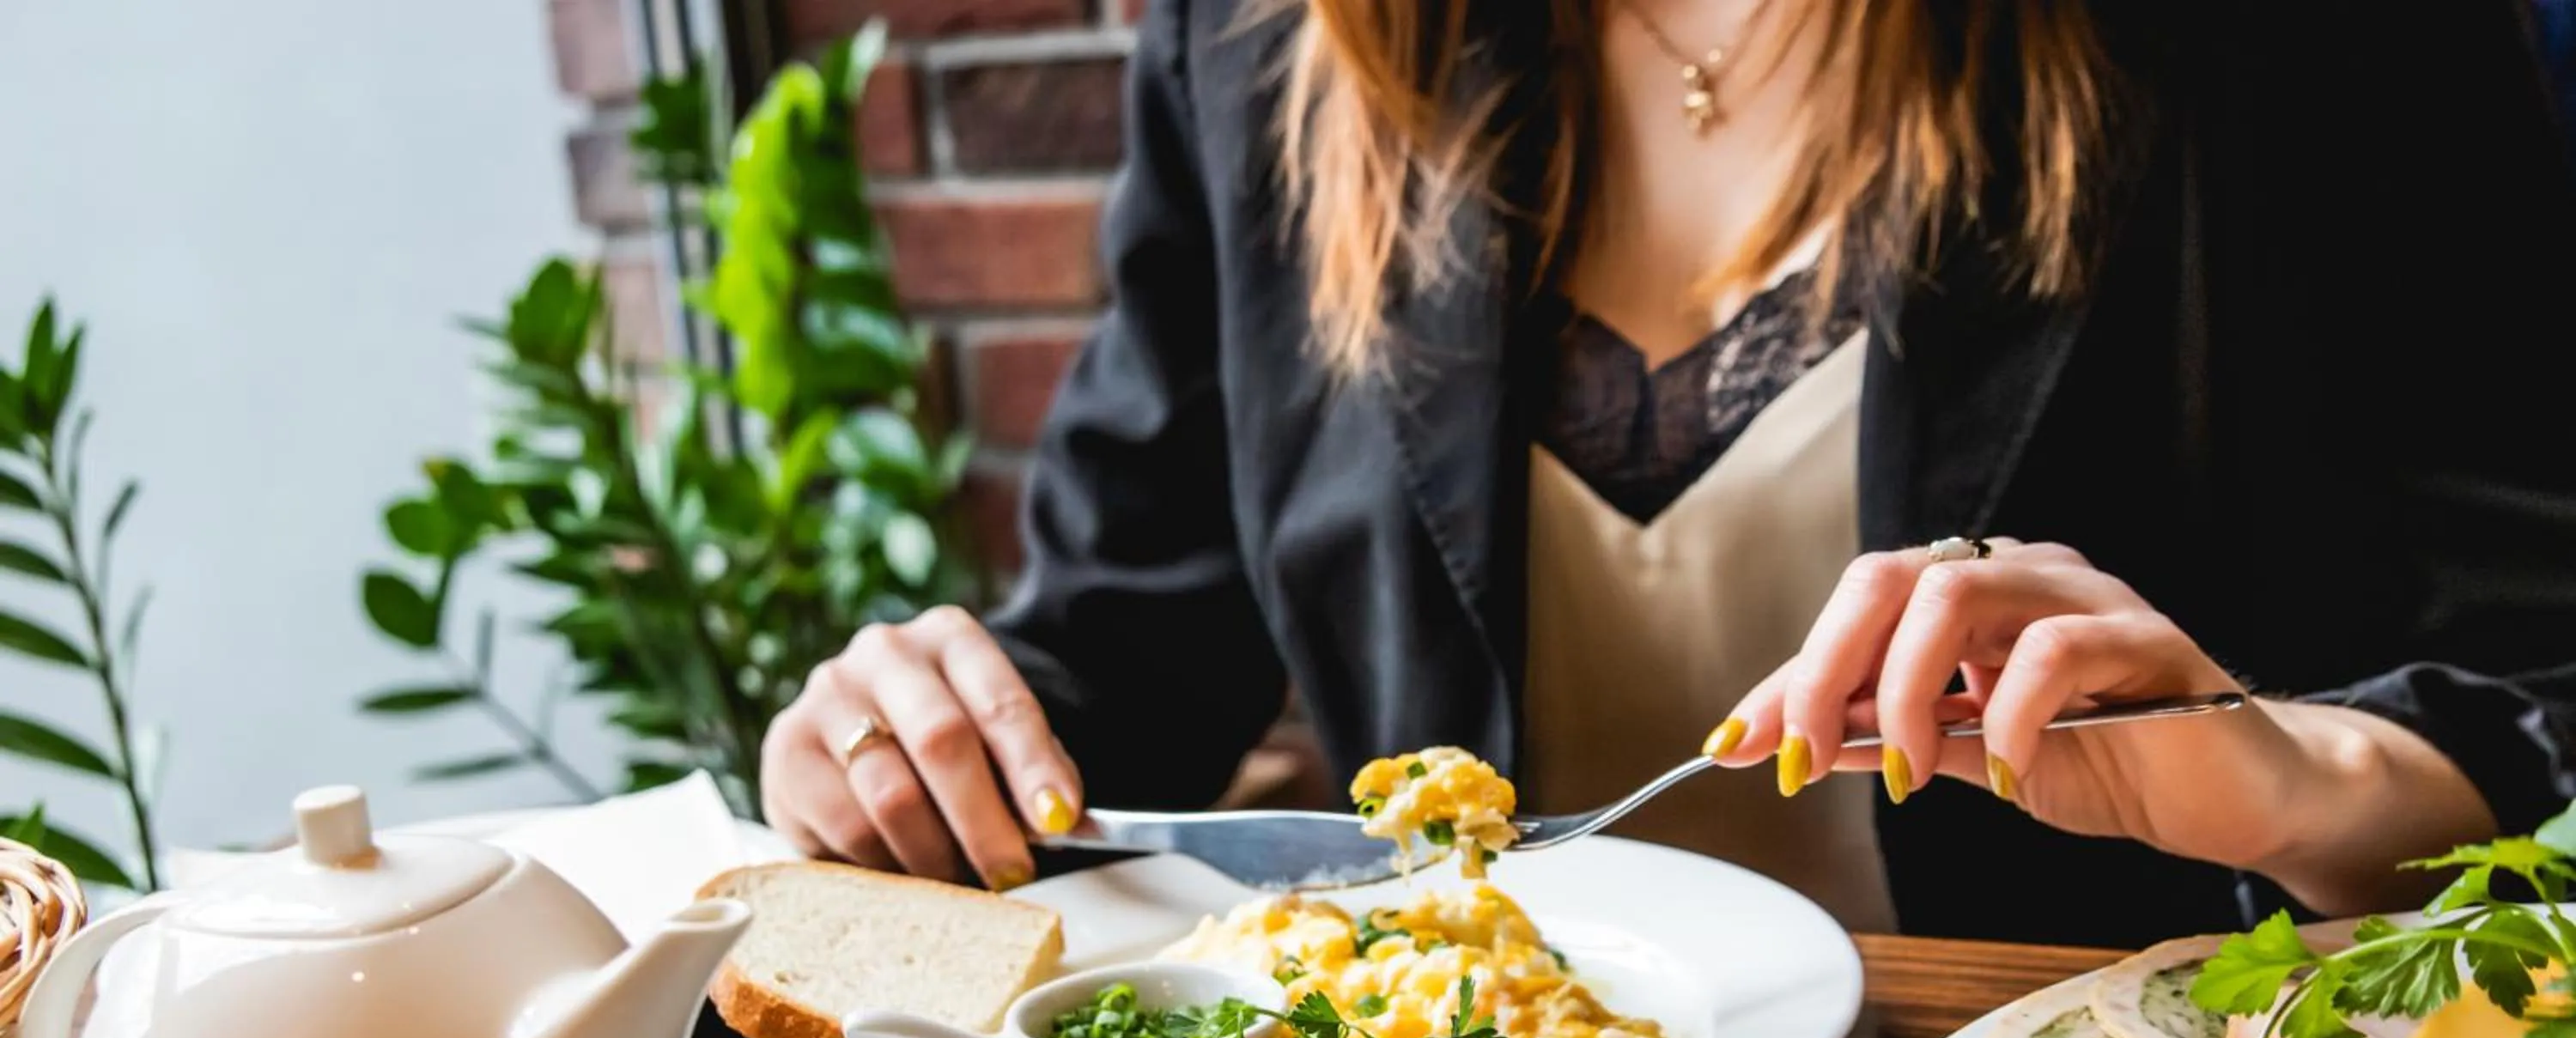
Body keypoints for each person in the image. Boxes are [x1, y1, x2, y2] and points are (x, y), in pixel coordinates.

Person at [762, 0, 2576, 946]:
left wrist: (2297, 775)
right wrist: (921, 745)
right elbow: (1120, 662)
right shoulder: (1262, 42)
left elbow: (2541, 679)